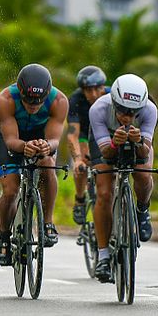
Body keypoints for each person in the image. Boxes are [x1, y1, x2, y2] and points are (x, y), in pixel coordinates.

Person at [0, 63, 69, 266]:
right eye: (28, 100)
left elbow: (54, 140)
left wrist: (46, 146)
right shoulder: (5, 100)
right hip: (13, 136)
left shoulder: (59, 101)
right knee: (10, 190)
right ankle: (3, 237)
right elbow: (10, 141)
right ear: (20, 91)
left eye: (39, 101)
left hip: (42, 137)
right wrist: (24, 146)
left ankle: (48, 223)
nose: (33, 105)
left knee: (47, 163)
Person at [88, 73, 158, 283]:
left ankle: (142, 211)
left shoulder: (150, 110)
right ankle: (103, 255)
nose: (127, 117)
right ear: (114, 102)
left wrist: (138, 143)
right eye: (122, 111)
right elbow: (106, 155)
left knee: (143, 175)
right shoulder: (98, 109)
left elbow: (145, 153)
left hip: (137, 144)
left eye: (133, 113)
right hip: (106, 142)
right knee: (104, 192)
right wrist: (113, 144)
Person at [67, 66, 110, 225]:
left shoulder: (113, 94)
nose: (93, 94)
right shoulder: (76, 100)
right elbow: (73, 133)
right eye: (88, 90)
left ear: (103, 87)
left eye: (97, 89)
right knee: (82, 165)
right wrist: (78, 159)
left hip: (106, 134)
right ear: (82, 90)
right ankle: (80, 199)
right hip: (85, 135)